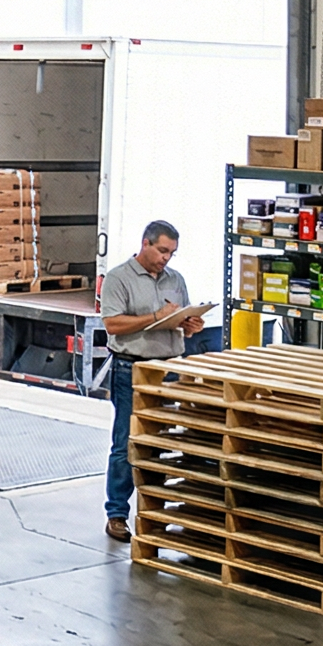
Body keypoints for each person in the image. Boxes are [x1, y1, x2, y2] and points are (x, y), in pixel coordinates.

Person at [99, 219, 210, 544]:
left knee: (160, 442)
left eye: (171, 253)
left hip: (169, 367)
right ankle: (116, 514)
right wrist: (156, 318)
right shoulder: (119, 278)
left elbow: (182, 322)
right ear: (145, 243)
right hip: (132, 369)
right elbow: (113, 324)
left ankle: (154, 512)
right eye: (162, 250)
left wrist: (190, 324)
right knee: (127, 442)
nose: (166, 258)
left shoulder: (176, 280)